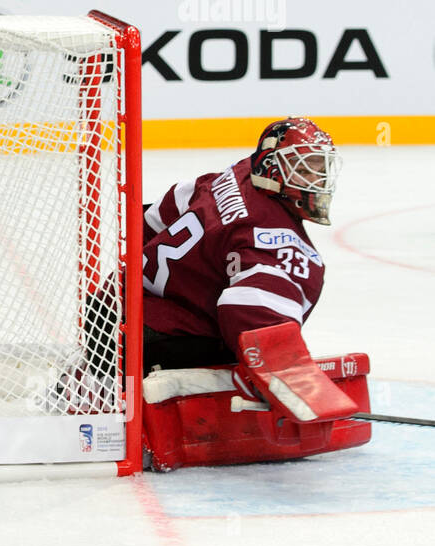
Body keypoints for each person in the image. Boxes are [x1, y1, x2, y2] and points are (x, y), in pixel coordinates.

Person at [132, 117, 367, 468]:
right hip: (153, 340)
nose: (317, 180)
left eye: (321, 167)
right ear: (273, 168)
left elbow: (166, 206)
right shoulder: (278, 241)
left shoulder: (238, 174)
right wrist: (270, 373)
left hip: (113, 308)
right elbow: (245, 310)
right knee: (239, 342)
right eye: (306, 167)